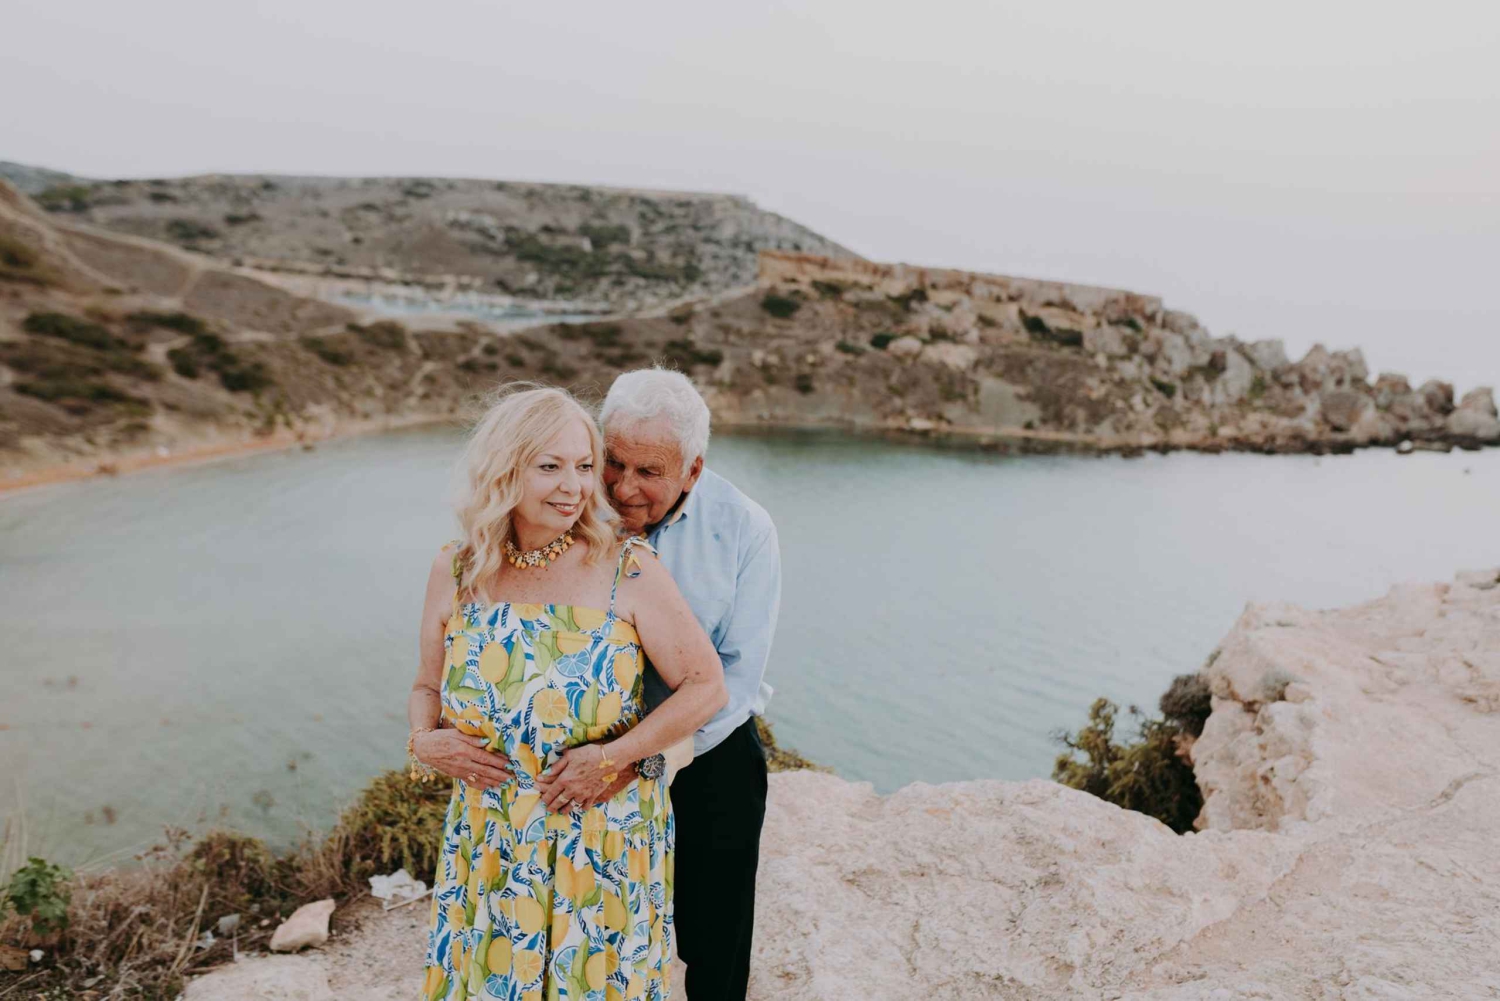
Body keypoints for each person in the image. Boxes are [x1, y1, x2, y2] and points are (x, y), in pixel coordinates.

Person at [407, 385, 728, 1001]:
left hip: (600, 841)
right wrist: (424, 742)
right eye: (550, 466)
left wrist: (614, 756)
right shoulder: (455, 567)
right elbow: (426, 684)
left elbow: (706, 686)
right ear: (505, 469)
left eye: (584, 466)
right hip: (490, 840)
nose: (574, 487)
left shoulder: (626, 567)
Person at [593, 368, 782, 1001]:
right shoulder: (569, 504)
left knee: (714, 932)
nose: (623, 487)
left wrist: (645, 758)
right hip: (589, 752)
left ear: (692, 470)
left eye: (649, 472)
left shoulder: (746, 527)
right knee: (599, 924)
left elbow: (737, 674)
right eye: (614, 462)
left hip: (706, 752)